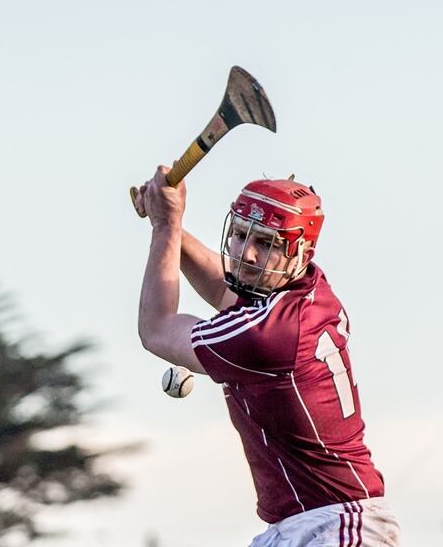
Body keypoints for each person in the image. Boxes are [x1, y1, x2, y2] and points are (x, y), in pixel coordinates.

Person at [134, 166, 400, 546]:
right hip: (302, 524)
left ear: (300, 252)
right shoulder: (306, 290)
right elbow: (226, 287)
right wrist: (168, 222)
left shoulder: (267, 335)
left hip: (335, 525)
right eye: (241, 235)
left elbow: (157, 329)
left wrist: (165, 226)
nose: (248, 254)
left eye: (267, 243)